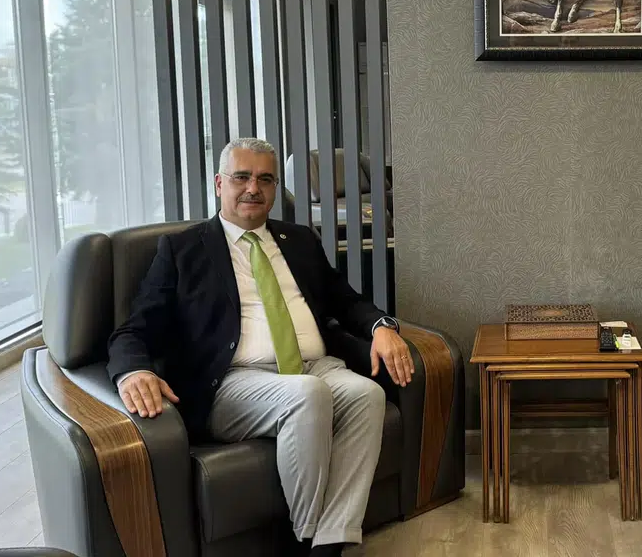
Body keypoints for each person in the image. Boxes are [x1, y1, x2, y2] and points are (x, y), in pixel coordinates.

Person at [106, 137, 414, 557]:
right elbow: (134, 328)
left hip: (314, 367)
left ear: (275, 188)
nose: (253, 188)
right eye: (242, 177)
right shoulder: (182, 250)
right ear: (220, 184)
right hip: (234, 381)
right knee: (308, 394)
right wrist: (133, 370)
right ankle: (305, 539)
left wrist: (381, 327)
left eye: (265, 179)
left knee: (366, 394)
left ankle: (329, 542)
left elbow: (346, 300)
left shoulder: (299, 240)